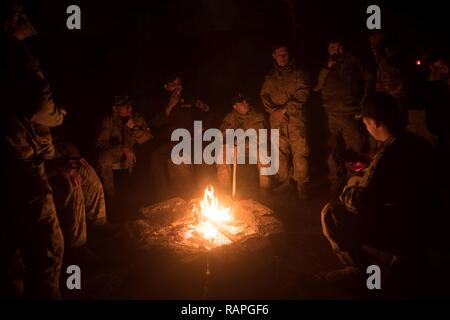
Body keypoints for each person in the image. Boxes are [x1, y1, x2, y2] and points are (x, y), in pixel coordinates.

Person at [321, 92, 433, 293]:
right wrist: (367, 166)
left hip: (403, 229)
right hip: (430, 223)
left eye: (364, 124)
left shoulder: (385, 157)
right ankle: (408, 258)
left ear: (372, 122)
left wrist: (352, 183)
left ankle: (364, 270)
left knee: (331, 213)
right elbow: (396, 180)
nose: (366, 127)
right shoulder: (418, 143)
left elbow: (360, 202)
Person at [1, 2, 65, 298]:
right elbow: (40, 105)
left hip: (8, 163)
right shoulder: (13, 52)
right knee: (45, 249)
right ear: (14, 18)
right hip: (20, 164)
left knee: (9, 254)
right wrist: (58, 116)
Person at [314, 38, 375, 196]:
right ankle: (336, 181)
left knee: (355, 150)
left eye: (339, 46)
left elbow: (369, 78)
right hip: (330, 113)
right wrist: (326, 68)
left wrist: (363, 102)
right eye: (332, 47)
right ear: (329, 49)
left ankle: (354, 184)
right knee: (332, 150)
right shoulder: (325, 66)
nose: (336, 50)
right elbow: (316, 87)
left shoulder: (353, 61)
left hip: (350, 112)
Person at [149, 73, 210, 202]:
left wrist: (204, 108)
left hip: (190, 140)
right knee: (156, 156)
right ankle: (164, 199)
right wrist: (170, 106)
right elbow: (155, 123)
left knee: (203, 155)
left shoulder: (188, 99)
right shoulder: (159, 101)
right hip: (169, 143)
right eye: (174, 84)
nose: (178, 87)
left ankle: (202, 196)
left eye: (179, 83)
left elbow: (202, 113)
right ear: (166, 86)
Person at [260, 44, 311, 200]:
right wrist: (273, 111)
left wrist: (285, 110)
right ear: (274, 55)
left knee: (300, 154)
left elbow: (303, 93)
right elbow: (264, 95)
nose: (283, 57)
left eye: (285, 53)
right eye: (280, 54)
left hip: (295, 121)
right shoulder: (270, 76)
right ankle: (285, 182)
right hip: (276, 122)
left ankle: (302, 186)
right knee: (280, 153)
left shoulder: (298, 74)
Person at [46, 137, 111, 250]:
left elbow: (65, 145)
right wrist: (60, 168)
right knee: (73, 185)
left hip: (59, 160)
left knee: (88, 173)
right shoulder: (23, 135)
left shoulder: (47, 133)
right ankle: (78, 245)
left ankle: (99, 224)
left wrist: (73, 160)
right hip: (47, 173)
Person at [96, 95, 152, 199]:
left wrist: (134, 128)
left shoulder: (136, 118)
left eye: (130, 105)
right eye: (125, 106)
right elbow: (101, 143)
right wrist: (122, 148)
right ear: (115, 108)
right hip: (117, 152)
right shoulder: (108, 120)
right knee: (103, 159)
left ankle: (143, 194)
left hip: (136, 151)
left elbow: (148, 138)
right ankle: (110, 197)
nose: (129, 108)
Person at [217, 93, 270, 195]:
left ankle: (265, 190)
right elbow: (222, 134)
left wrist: (244, 140)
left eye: (246, 101)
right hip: (237, 147)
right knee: (222, 155)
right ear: (235, 107)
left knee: (263, 154)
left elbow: (261, 137)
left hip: (254, 146)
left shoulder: (257, 116)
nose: (245, 104)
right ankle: (224, 192)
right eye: (241, 103)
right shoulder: (230, 118)